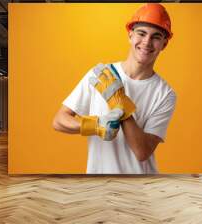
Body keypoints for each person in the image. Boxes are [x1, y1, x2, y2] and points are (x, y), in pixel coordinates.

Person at [53, 3, 176, 174]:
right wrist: (95, 125)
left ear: (164, 44)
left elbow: (143, 152)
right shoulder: (102, 75)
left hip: (140, 188)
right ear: (130, 35)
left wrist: (119, 101)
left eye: (156, 36)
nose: (147, 42)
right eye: (141, 33)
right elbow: (59, 120)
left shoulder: (165, 93)